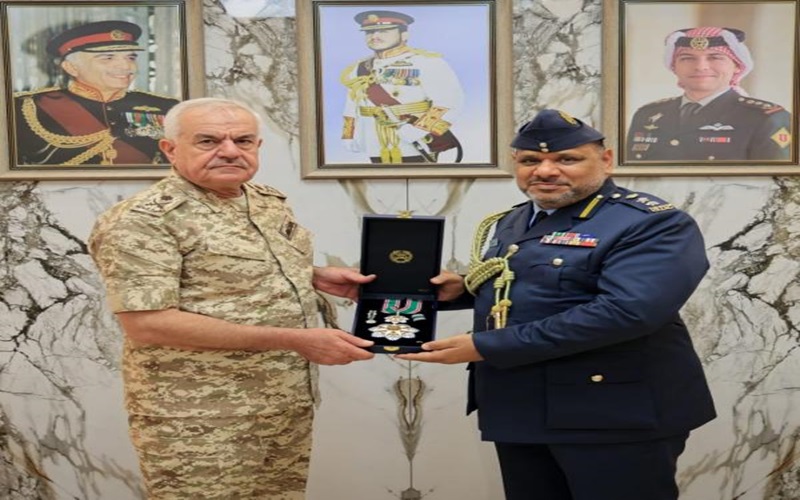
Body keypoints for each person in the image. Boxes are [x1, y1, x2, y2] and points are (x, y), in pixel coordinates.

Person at [398, 109, 716, 500]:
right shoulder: (518, 219)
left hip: (613, 413)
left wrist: (486, 346)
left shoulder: (651, 222)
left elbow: (627, 312)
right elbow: (541, 284)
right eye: (530, 160)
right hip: (521, 405)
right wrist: (462, 289)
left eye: (567, 158)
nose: (545, 171)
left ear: (606, 160)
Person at [88, 97, 376, 499]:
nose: (229, 151)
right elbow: (148, 322)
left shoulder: (264, 201)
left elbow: (224, 270)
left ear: (257, 146)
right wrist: (295, 340)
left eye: (243, 141)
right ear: (170, 149)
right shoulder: (144, 219)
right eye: (208, 141)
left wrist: (313, 275)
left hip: (283, 401)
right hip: (199, 418)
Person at [14, 20, 179, 166]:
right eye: (108, 58)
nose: (126, 67)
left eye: (130, 58)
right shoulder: (25, 108)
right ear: (71, 67)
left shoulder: (167, 107)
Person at [626, 26, 791, 162]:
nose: (700, 67)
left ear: (737, 66)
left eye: (715, 57)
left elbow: (779, 185)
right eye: (687, 58)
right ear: (674, 66)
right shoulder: (647, 114)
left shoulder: (767, 118)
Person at [339, 10, 465, 164]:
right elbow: (352, 105)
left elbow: (449, 102)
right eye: (369, 32)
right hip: (373, 140)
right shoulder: (358, 68)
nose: (374, 36)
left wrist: (418, 130)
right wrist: (348, 135)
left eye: (384, 31)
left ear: (404, 35)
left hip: (414, 139)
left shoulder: (427, 62)